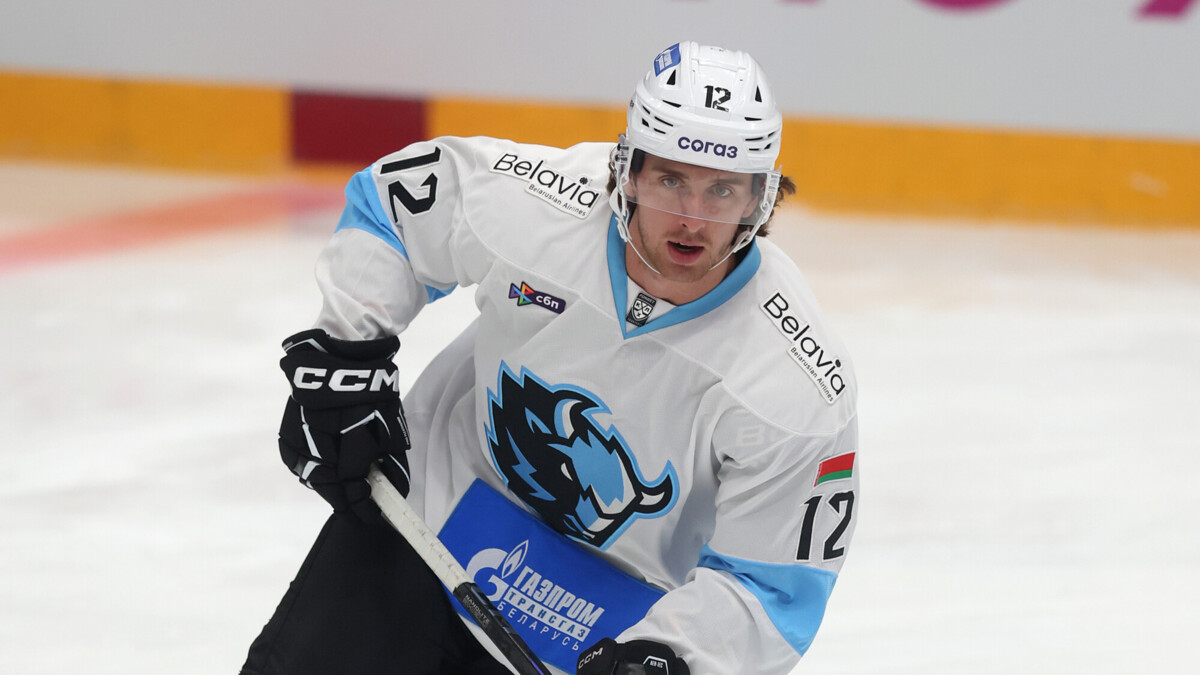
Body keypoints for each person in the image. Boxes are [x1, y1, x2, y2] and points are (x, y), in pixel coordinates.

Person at [241, 41, 859, 675]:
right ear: (628, 171)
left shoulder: (797, 383)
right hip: (423, 529)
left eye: (721, 190)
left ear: (758, 199)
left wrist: (669, 656)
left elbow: (775, 586)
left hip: (597, 634)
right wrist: (348, 356)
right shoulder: (545, 203)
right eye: (671, 180)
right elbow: (394, 207)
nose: (692, 220)